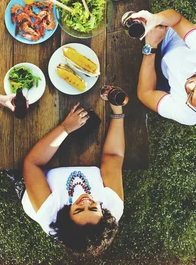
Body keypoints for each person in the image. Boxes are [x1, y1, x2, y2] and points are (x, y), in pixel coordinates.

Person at [22, 100, 125, 255]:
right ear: (103, 212)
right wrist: (117, 112)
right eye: (93, 208)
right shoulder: (113, 205)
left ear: (66, 216)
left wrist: (65, 128)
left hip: (37, 179)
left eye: (78, 210)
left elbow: (32, 164)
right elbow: (113, 156)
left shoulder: (50, 213)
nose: (85, 202)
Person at [132, 8, 196, 125]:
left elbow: (145, 94)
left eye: (189, 97)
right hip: (168, 37)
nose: (188, 84)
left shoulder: (188, 115)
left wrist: (150, 46)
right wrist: (154, 20)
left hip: (163, 72)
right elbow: (177, 20)